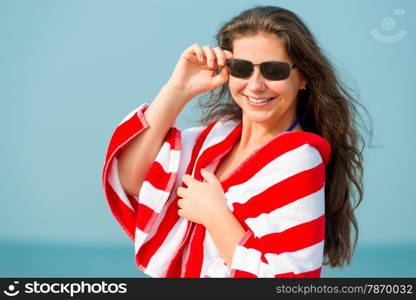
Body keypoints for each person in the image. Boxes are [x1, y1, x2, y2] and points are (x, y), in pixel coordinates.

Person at [102, 6, 366, 278]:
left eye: (274, 71)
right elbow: (133, 181)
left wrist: (214, 214)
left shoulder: (297, 158)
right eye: (241, 68)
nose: (255, 85)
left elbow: (290, 279)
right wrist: (178, 89)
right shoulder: (213, 141)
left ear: (303, 77)